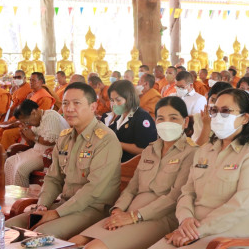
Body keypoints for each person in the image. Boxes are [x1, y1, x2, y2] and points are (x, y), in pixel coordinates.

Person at [69, 96, 197, 249]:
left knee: (95, 247)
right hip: (128, 212)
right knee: (74, 242)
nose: (166, 123)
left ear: (186, 122)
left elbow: (174, 198)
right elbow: (132, 188)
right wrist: (118, 210)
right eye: (161, 118)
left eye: (173, 118)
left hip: (159, 218)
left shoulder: (192, 152)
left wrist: (134, 216)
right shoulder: (150, 150)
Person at [150, 88, 249, 249]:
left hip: (233, 231)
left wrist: (197, 232)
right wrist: (185, 220)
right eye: (214, 110)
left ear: (245, 118)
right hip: (191, 226)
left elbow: (241, 205)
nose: (218, 116)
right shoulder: (204, 150)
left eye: (226, 111)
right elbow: (187, 192)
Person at [5, 82, 122, 240]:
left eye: (76, 103)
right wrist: (43, 205)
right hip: (63, 204)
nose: (69, 108)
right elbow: (54, 178)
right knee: (5, 229)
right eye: (65, 103)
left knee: (37, 237)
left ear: (93, 107)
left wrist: (56, 213)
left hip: (92, 209)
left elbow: (93, 190)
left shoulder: (105, 139)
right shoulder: (65, 137)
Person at [4, 100, 69, 187]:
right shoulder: (36, 121)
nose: (27, 124)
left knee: (21, 169)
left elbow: (51, 141)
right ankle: (11, 194)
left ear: (34, 112)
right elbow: (32, 144)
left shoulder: (50, 116)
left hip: (50, 153)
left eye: (26, 122)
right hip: (37, 151)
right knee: (9, 162)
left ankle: (22, 198)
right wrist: (25, 135)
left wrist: (32, 136)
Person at [108, 80, 157, 162]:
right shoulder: (120, 116)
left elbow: (144, 149)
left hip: (131, 165)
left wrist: (117, 144)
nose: (114, 104)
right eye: (112, 100)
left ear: (129, 98)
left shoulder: (141, 117)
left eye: (118, 100)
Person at [191, 82, 233, 146]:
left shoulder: (232, 119)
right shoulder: (199, 117)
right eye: (213, 100)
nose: (216, 105)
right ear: (208, 99)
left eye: (221, 101)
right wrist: (206, 125)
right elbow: (197, 147)